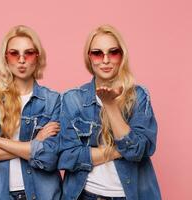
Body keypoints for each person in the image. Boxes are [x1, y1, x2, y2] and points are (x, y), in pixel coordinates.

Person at [57, 25, 161, 200]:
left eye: (113, 52)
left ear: (122, 56)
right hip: (85, 195)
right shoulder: (72, 99)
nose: (105, 60)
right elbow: (67, 157)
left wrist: (110, 105)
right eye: (97, 53)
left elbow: (137, 150)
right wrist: (117, 150)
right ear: (89, 57)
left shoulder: (138, 96)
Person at [0, 25, 62, 200]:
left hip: (43, 195)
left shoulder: (53, 100)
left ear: (37, 57)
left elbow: (49, 158)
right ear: (6, 57)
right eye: (14, 53)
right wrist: (35, 143)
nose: (21, 59)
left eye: (29, 53)